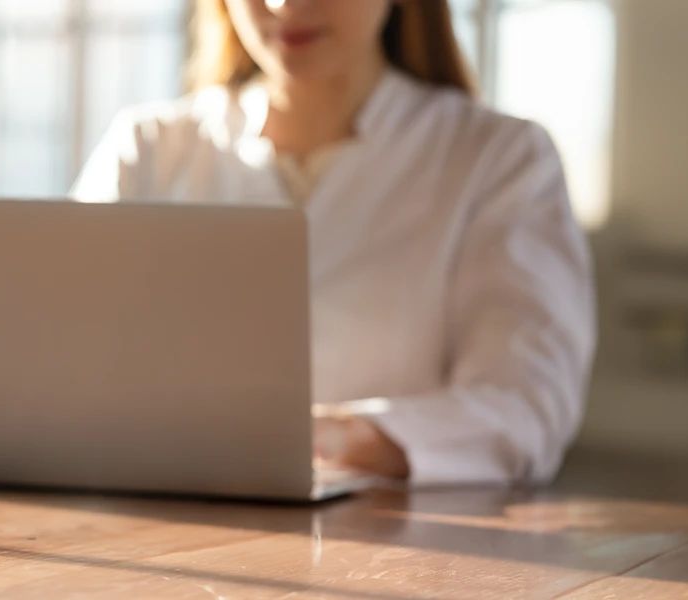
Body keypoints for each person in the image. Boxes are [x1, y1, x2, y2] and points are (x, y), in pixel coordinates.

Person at [71, 0, 595, 486]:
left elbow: (527, 404)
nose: (284, 4)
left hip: (395, 560)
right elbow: (52, 369)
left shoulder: (499, 159)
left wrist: (343, 437)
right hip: (158, 540)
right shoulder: (146, 149)